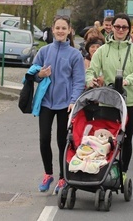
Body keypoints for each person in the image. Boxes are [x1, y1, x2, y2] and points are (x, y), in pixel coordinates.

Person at [85, 13, 133, 179]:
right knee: (106, 139)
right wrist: (91, 80)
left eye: (124, 27)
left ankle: (123, 172)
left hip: (130, 101)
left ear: (129, 30)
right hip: (108, 102)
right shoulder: (103, 50)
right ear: (111, 27)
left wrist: (127, 81)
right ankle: (105, 171)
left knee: (125, 139)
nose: (120, 29)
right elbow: (91, 70)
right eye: (117, 26)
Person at [32, 15, 85, 194]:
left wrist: (73, 101)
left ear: (69, 30)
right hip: (46, 102)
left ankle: (63, 177)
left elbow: (79, 81)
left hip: (65, 105)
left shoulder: (75, 55)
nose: (60, 31)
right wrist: (40, 75)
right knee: (44, 139)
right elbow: (32, 72)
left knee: (63, 142)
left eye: (64, 28)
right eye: (57, 28)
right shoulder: (44, 51)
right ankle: (48, 174)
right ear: (52, 30)